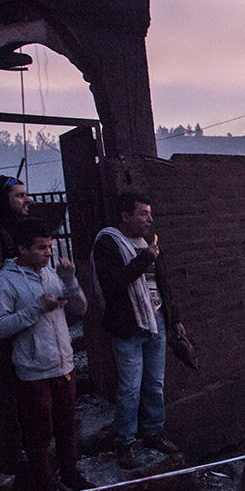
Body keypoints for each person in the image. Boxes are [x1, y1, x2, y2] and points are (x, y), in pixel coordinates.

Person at [0, 217, 91, 491]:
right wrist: (36, 308)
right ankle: (46, 489)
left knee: (67, 427)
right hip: (33, 372)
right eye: (41, 248)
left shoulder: (50, 274)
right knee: (39, 433)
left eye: (49, 247)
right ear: (21, 248)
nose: (48, 253)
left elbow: (80, 310)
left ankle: (70, 476)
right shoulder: (5, 282)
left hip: (64, 366)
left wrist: (70, 281)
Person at [93, 191, 184, 469]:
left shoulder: (148, 243)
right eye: (143, 213)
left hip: (155, 322)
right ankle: (125, 442)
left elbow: (162, 283)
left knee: (154, 384)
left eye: (149, 213)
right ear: (125, 216)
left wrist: (174, 318)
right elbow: (113, 283)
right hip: (128, 326)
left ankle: (153, 433)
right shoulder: (108, 243)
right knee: (130, 388)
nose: (149, 219)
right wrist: (145, 258)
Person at [0, 174, 33, 260]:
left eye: (26, 195)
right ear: (4, 199)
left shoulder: (21, 227)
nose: (27, 200)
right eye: (20, 195)